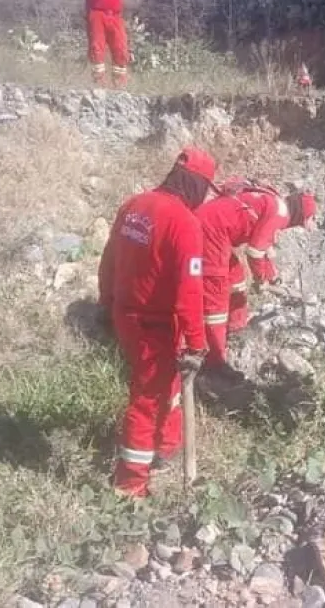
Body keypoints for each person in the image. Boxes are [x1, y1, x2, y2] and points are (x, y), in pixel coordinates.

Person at [97, 147, 215, 497]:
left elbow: (109, 259)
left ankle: (164, 448)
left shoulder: (135, 205)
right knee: (148, 397)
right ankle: (130, 484)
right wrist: (196, 342)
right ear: (196, 185)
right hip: (155, 326)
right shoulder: (185, 224)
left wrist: (107, 302)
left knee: (167, 388)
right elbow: (189, 292)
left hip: (126, 314)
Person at [196, 179, 318, 381]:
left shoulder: (276, 203)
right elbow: (254, 251)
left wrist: (273, 278)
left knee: (236, 280)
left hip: (215, 232)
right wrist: (261, 280)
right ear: (299, 216)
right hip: (210, 234)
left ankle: (235, 331)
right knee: (215, 300)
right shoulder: (280, 214)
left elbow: (264, 248)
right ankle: (215, 362)